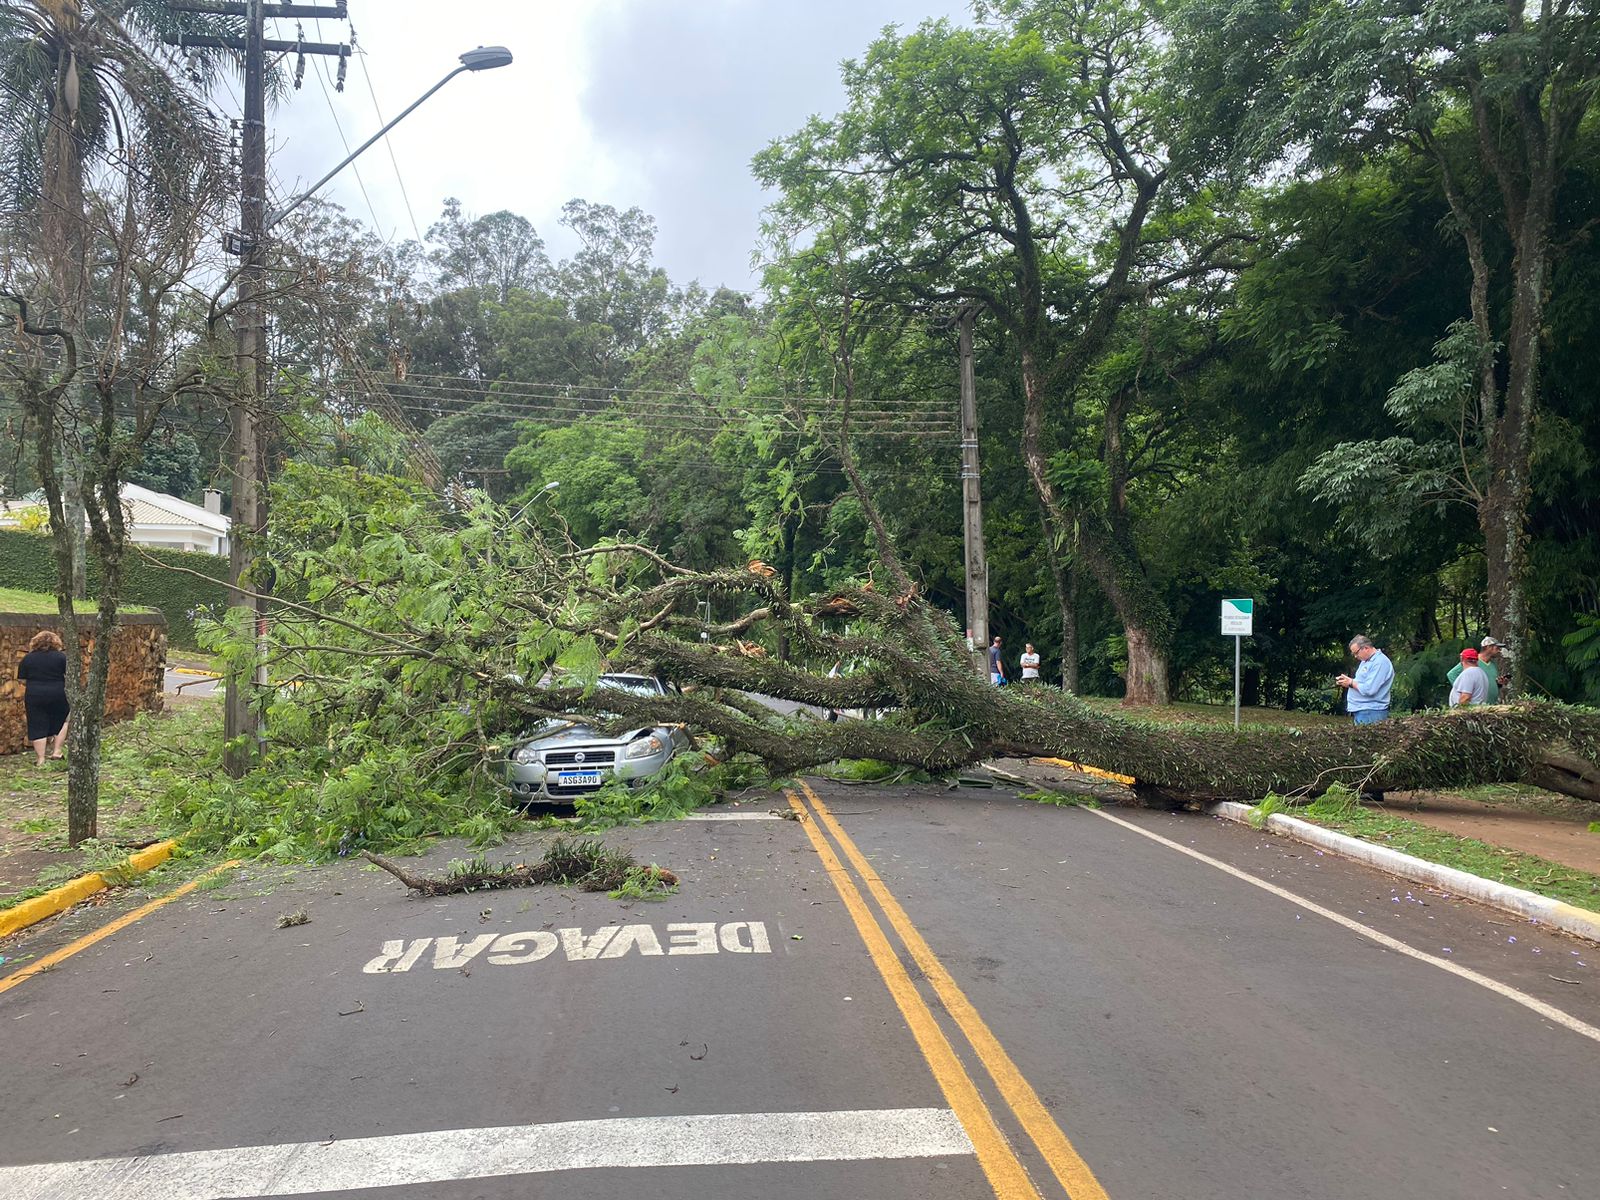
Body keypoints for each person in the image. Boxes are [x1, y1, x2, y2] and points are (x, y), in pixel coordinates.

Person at [17, 629, 70, 766]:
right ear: (56, 642)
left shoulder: (28, 658)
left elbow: (22, 679)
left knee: (37, 723)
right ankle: (57, 752)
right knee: (62, 720)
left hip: (35, 694)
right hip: (58, 692)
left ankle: (41, 759)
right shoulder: (61, 657)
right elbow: (69, 676)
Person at [1336, 634, 1393, 724]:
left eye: (1356, 653)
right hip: (1363, 711)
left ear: (1366, 648)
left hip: (1372, 711)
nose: (1355, 656)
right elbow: (1362, 682)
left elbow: (1370, 689)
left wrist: (1350, 683)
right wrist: (1348, 681)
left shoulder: (1380, 662)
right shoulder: (1366, 661)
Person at [1448, 636, 1503, 703]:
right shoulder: (1471, 661)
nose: (1499, 650)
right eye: (1497, 648)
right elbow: (1452, 674)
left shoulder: (1493, 664)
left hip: (1490, 703)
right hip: (1475, 703)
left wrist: (1499, 684)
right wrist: (1464, 689)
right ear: (1488, 647)